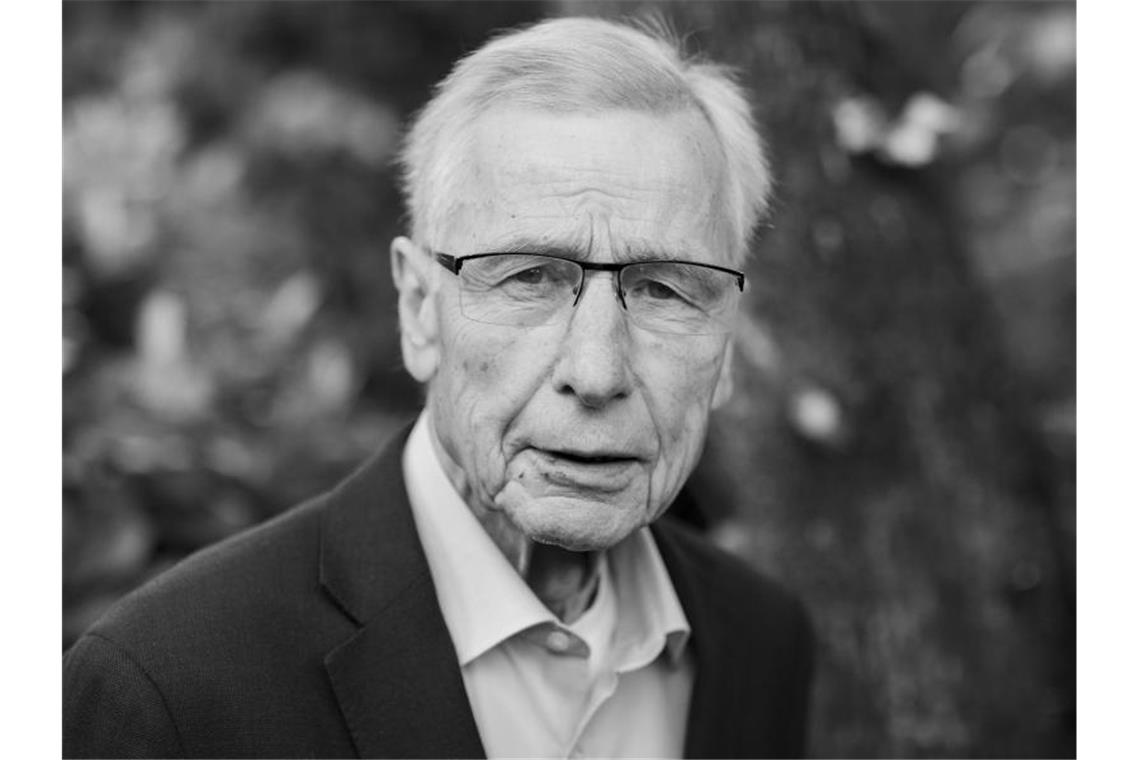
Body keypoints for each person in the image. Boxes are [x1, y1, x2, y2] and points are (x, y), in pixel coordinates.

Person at [63, 16, 814, 759]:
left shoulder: (760, 643)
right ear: (420, 310)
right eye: (529, 278)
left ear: (728, 345)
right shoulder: (163, 692)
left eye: (664, 292)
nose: (596, 373)